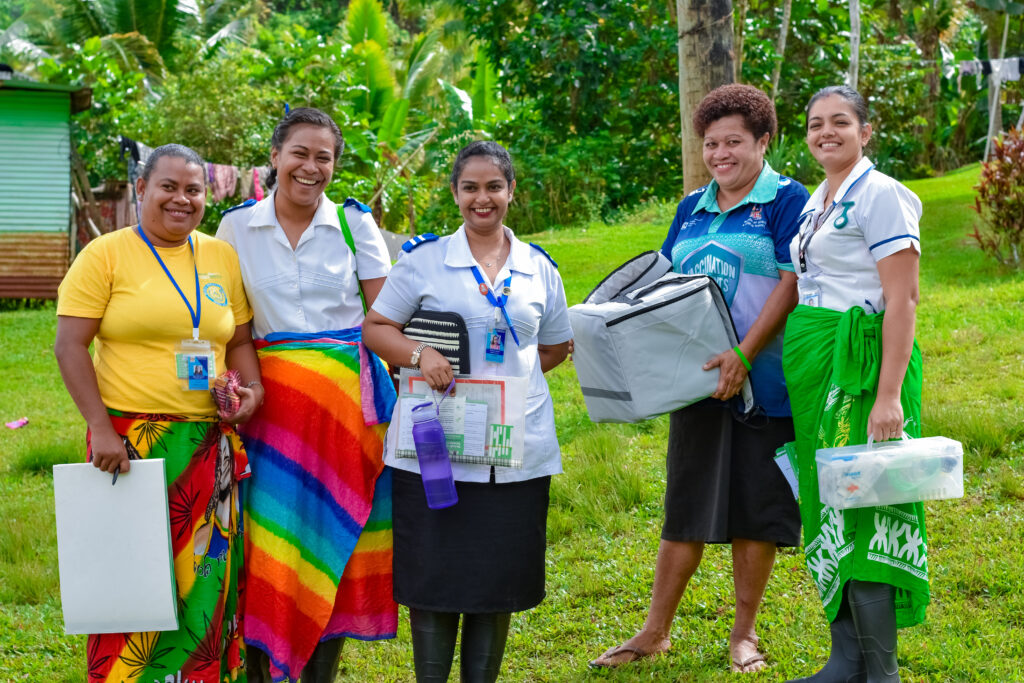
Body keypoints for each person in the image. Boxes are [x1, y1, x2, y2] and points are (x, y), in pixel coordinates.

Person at [590, 84, 809, 673]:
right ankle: (654, 631)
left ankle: (744, 634)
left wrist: (743, 352)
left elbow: (791, 284)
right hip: (696, 383)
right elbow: (665, 284)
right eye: (711, 143)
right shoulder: (692, 207)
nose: (720, 154)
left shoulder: (789, 200)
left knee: (756, 511)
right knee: (685, 505)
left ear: (764, 141)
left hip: (764, 383)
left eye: (734, 141)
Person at [362, 140, 573, 683]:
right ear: (456, 193)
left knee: (495, 580)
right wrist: (419, 354)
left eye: (494, 187)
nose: (483, 198)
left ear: (511, 191)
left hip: (513, 453)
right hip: (436, 447)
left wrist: (505, 390)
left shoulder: (538, 267)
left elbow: (554, 346)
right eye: (471, 187)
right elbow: (376, 328)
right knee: (433, 578)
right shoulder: (424, 261)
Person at [54, 143, 262, 682]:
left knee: (203, 588)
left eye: (193, 189)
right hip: (127, 448)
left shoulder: (219, 256)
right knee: (130, 582)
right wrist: (100, 429)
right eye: (168, 186)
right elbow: (69, 346)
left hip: (206, 449)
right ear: (141, 188)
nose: (182, 199)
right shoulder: (104, 256)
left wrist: (252, 393)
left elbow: (238, 339)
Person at [216, 107, 397, 683]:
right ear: (274, 157)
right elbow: (230, 326)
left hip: (346, 414)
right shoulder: (235, 227)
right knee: (268, 546)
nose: (311, 166)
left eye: (324, 156)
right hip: (267, 412)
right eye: (300, 152)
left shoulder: (354, 225)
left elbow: (388, 316)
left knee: (329, 539)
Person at [783, 85, 927, 683]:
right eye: (816, 124)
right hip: (818, 366)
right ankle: (846, 661)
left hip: (865, 368)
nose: (826, 133)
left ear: (865, 131)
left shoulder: (883, 196)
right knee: (830, 502)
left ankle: (882, 670)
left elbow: (904, 298)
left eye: (840, 122)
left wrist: (889, 394)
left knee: (868, 500)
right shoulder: (818, 200)